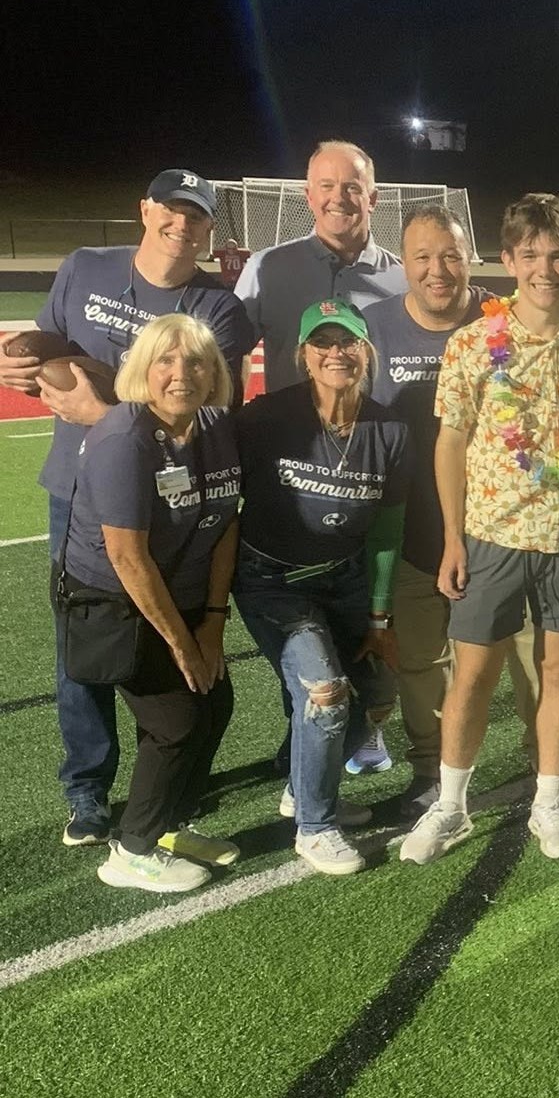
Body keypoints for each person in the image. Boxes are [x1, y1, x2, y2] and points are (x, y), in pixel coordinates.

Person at [0, 168, 254, 847]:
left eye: (196, 217)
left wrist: (103, 411)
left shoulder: (221, 308)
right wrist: (25, 357)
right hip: (80, 491)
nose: (181, 225)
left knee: (155, 644)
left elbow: (199, 403)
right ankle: (87, 789)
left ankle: (161, 787)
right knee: (82, 648)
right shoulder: (85, 267)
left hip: (176, 501)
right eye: (171, 210)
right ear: (144, 210)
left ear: (208, 230)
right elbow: (49, 344)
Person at [399, 193, 559, 865]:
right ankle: (450, 805)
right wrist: (450, 538)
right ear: (509, 259)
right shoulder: (472, 342)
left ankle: (549, 797)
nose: (545, 267)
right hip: (490, 534)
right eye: (531, 254)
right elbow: (450, 442)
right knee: (471, 676)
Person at [364, 205, 539, 818]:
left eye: (450, 255)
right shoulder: (374, 328)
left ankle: (547, 770)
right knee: (420, 665)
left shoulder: (507, 321)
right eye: (422, 257)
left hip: (503, 532)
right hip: (412, 532)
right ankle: (431, 772)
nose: (437, 270)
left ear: (471, 259)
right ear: (403, 263)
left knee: (530, 659)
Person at [59, 314, 242, 892]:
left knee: (214, 703)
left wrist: (212, 623)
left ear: (214, 372)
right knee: (176, 721)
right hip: (115, 602)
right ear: (143, 367)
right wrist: (182, 642)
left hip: (184, 596)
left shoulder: (215, 424)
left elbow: (225, 524)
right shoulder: (122, 438)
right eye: (166, 360)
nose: (181, 373)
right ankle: (131, 851)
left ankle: (167, 825)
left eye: (196, 361)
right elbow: (127, 557)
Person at [232, 299, 410, 875]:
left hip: (347, 580)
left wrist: (380, 619)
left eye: (348, 341)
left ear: (366, 350)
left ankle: (302, 787)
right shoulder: (266, 418)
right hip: (274, 582)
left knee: (379, 692)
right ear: (303, 355)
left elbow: (387, 527)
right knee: (326, 693)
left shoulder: (389, 429)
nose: (337, 352)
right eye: (323, 343)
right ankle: (314, 825)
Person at [236, 140, 407, 393]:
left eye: (352, 187)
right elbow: (232, 352)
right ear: (309, 196)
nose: (338, 198)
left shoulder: (402, 281)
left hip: (371, 431)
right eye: (327, 186)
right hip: (288, 429)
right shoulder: (265, 269)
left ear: (372, 199)